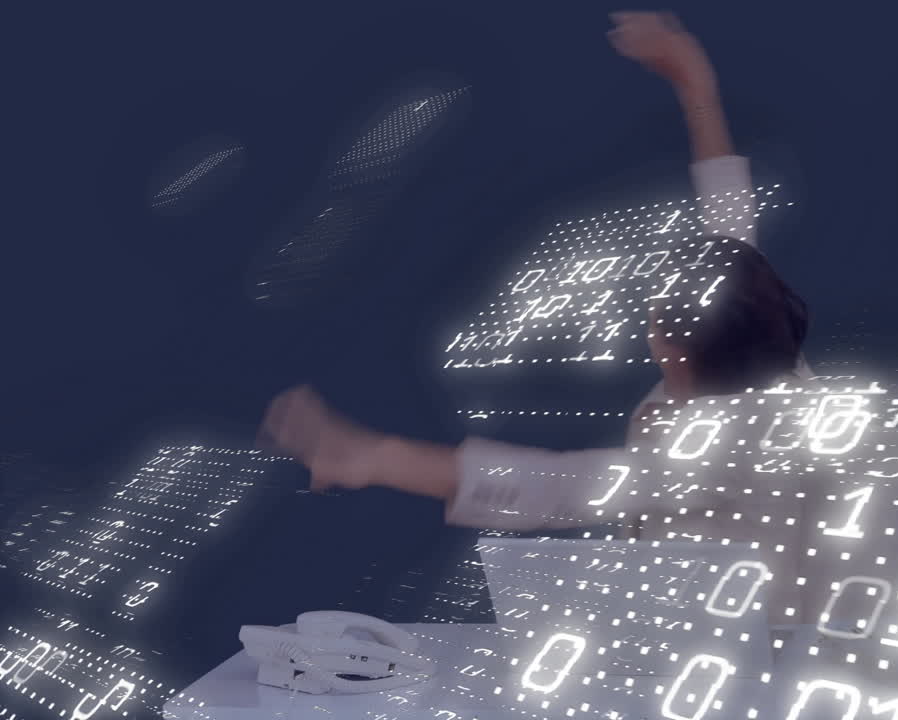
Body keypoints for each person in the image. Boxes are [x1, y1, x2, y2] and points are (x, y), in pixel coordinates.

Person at [257, 11, 830, 621]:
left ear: (685, 353)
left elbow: (557, 489)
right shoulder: (766, 349)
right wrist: (695, 85)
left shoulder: (718, 456)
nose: (648, 325)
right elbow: (730, 226)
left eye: (659, 324)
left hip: (733, 650)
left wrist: (374, 457)